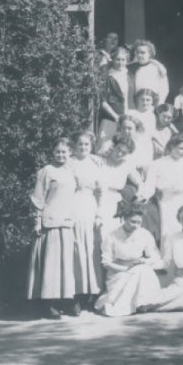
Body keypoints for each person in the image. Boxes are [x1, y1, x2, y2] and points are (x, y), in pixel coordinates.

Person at [27, 137, 103, 318]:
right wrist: (37, 221)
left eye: (64, 152)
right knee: (50, 265)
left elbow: (87, 178)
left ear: (70, 153)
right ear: (52, 153)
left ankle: (65, 302)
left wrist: (94, 157)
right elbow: (37, 199)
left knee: (65, 266)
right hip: (50, 222)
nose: (61, 155)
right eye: (57, 152)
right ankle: (47, 305)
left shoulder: (71, 171)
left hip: (67, 223)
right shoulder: (46, 171)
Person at [94, 203, 163, 317]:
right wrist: (126, 269)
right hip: (118, 272)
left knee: (143, 270)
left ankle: (142, 303)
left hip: (138, 268)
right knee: (139, 272)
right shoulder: (112, 236)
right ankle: (130, 305)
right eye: (133, 222)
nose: (136, 225)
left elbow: (155, 255)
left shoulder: (144, 234)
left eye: (139, 222)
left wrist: (143, 261)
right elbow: (106, 263)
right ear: (124, 219)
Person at [144, 133, 183, 243]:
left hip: (182, 201)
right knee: (167, 230)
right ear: (172, 147)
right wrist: (144, 198)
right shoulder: (158, 164)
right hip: (165, 201)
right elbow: (149, 185)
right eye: (180, 148)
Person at [94, 132, 145, 232]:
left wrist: (139, 195)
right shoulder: (100, 160)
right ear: (113, 146)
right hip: (95, 198)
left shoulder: (127, 165)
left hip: (112, 203)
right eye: (118, 149)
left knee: (107, 232)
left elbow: (140, 183)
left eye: (124, 152)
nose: (120, 154)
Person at [98, 45, 131, 143]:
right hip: (111, 118)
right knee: (106, 145)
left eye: (123, 59)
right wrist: (116, 117)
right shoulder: (107, 76)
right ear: (113, 59)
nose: (120, 62)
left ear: (127, 60)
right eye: (117, 59)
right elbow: (103, 101)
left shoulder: (128, 75)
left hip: (127, 118)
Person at [129, 40, 169, 110]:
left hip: (153, 105)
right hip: (138, 105)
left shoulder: (157, 69)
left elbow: (164, 89)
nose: (139, 55)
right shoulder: (133, 68)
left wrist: (158, 105)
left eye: (143, 53)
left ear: (149, 54)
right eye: (137, 52)